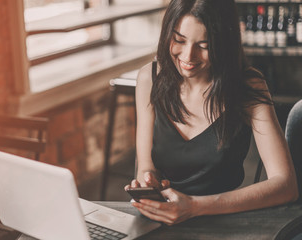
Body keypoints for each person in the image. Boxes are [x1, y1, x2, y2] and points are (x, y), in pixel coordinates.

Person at [125, 0, 298, 225]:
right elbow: (145, 165)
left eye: (204, 45)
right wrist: (149, 182)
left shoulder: (247, 85)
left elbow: (286, 186)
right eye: (179, 40)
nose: (188, 56)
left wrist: (194, 207)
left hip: (224, 220)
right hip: (163, 221)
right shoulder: (149, 78)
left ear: (223, 44)